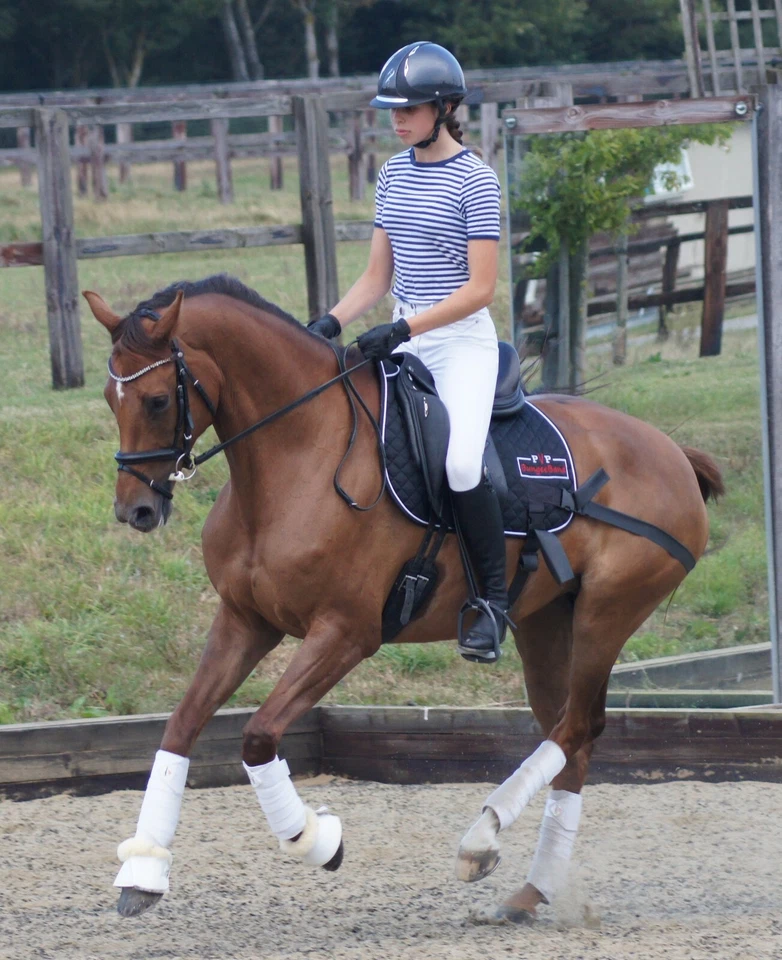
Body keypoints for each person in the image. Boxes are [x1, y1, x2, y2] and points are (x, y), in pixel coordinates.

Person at [308, 41, 508, 663]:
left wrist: (408, 327)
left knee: (461, 466)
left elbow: (481, 289)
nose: (397, 119)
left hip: (458, 346)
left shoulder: (477, 180)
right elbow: (377, 276)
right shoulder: (393, 173)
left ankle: (492, 602)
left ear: (445, 107)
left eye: (411, 108)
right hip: (402, 339)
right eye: (392, 109)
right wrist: (329, 323)